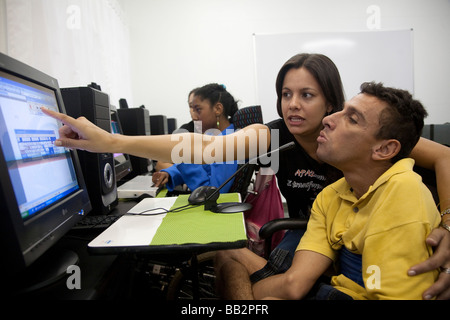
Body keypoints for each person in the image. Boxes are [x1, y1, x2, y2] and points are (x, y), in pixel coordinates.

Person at [40, 54, 450, 300]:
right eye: (286, 94)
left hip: (357, 237)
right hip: (315, 229)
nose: (293, 105)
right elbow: (200, 147)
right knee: (233, 255)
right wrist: (111, 139)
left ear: (331, 100)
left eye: (307, 95)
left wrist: (448, 223)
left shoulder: (362, 140)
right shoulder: (271, 136)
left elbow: (445, 158)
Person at [252, 82, 440, 299]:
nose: (327, 119)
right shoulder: (331, 195)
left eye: (352, 119)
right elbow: (293, 284)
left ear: (384, 149)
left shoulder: (404, 190)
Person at [152, 83, 239, 193]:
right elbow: (202, 170)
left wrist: (184, 157)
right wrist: (169, 174)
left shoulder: (230, 143)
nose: (193, 116)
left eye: (198, 110)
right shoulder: (212, 136)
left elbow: (215, 192)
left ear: (218, 109)